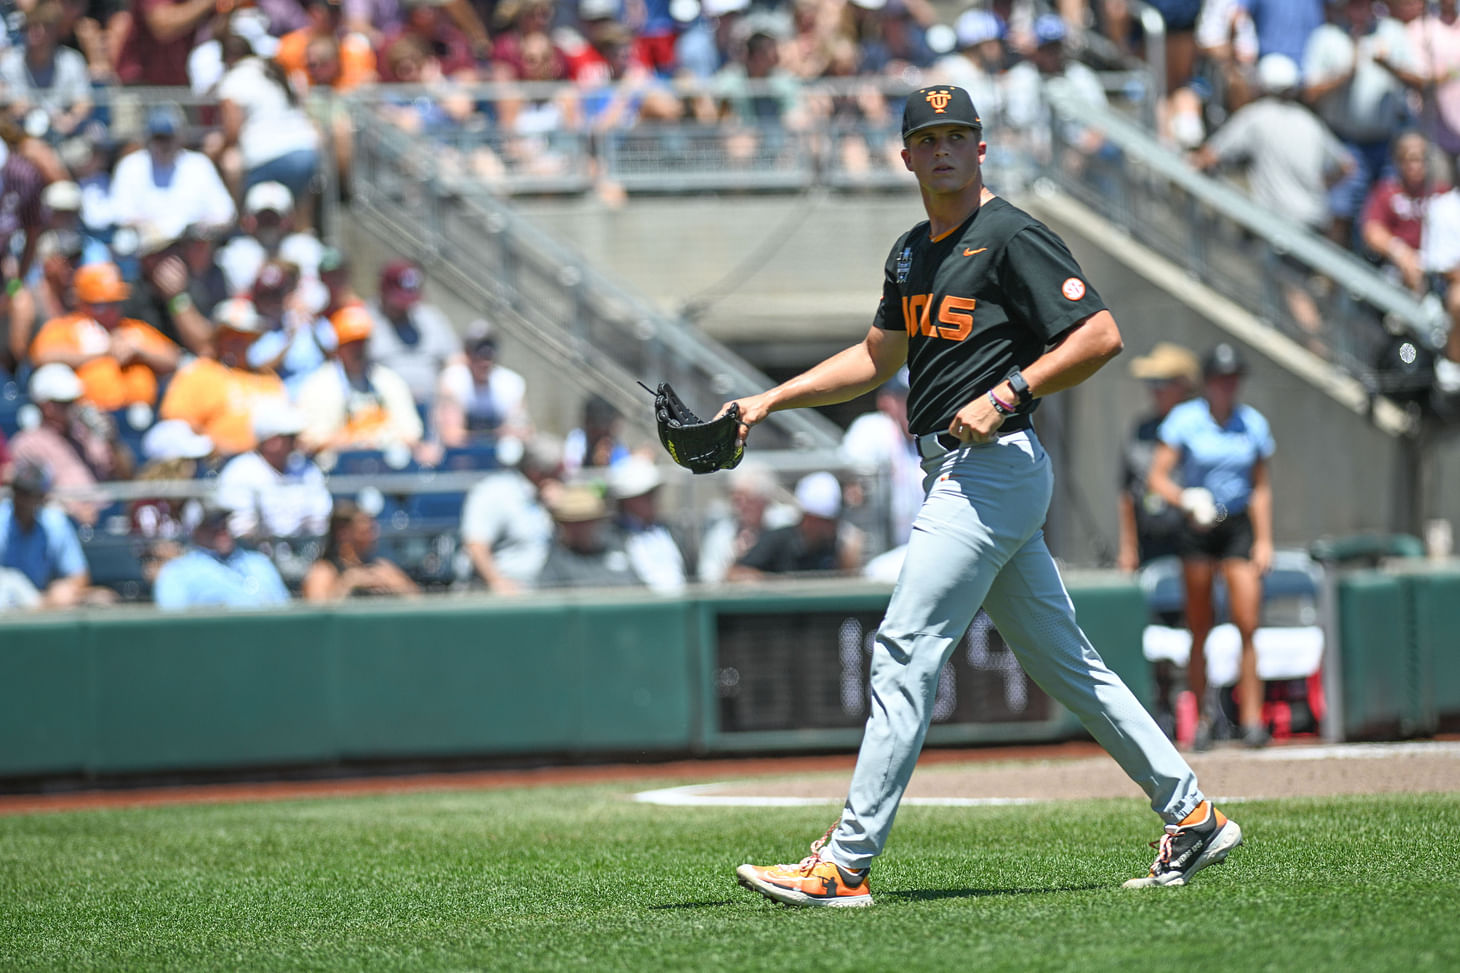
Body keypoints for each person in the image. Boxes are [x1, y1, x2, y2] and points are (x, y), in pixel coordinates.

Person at [731, 85, 1242, 908]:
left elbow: (1101, 335)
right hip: (959, 469)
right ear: (905, 157)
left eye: (957, 134)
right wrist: (766, 401)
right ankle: (1195, 814)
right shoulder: (910, 252)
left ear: (980, 148)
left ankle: (846, 862)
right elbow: (874, 358)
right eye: (927, 137)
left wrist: (1010, 392)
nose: (943, 149)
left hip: (990, 464)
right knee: (1066, 664)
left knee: (904, 648)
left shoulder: (1008, 233)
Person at [1147, 342, 1275, 752]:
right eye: (1221, 379)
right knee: (1199, 625)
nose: (1228, 386)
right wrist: (1186, 498)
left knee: (1247, 623)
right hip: (1198, 524)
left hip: (1236, 524)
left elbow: (1260, 487)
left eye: (1233, 379)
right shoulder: (1186, 421)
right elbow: (1158, 477)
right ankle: (1202, 718)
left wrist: (1265, 540)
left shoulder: (1251, 424)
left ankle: (1252, 719)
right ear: (1208, 384)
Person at [27, 262, 181, 412]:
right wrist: (103, 352)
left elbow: (173, 359)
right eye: (101, 305)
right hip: (91, 418)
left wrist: (139, 351)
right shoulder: (67, 327)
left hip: (141, 414)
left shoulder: (133, 328)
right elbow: (41, 356)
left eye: (115, 303)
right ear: (80, 302)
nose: (111, 311)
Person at [159, 297, 290, 457]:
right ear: (218, 337)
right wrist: (214, 447)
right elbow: (177, 424)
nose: (238, 341)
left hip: (265, 462)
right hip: (213, 464)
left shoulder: (267, 378)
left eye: (244, 335)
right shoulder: (198, 372)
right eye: (230, 335)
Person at [1116, 342, 1202, 573]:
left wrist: (1205, 512)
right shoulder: (1141, 429)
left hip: (1195, 542)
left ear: (1184, 386)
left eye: (1162, 383)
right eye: (1151, 383)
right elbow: (1127, 492)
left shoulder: (1204, 429)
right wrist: (1128, 548)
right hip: (1150, 542)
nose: (1155, 390)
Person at [8, 363, 129, 526]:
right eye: (66, 402)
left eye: (75, 401)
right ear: (46, 406)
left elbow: (126, 474)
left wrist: (112, 440)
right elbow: (29, 494)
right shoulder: (27, 444)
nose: (73, 407)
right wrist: (72, 510)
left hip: (106, 519)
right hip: (65, 525)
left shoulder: (87, 435)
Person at [296, 304, 424, 453]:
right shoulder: (318, 385)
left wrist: (379, 439)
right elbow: (309, 441)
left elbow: (411, 433)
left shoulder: (388, 380)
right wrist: (356, 440)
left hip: (387, 467)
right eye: (351, 344)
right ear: (338, 348)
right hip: (336, 472)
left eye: (362, 343)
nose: (358, 350)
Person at [214, 399, 332, 541]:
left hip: (302, 549)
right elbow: (240, 529)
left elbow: (319, 519)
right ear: (272, 442)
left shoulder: (305, 468)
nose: (296, 442)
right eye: (290, 437)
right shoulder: (240, 471)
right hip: (257, 554)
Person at [459, 434, 562, 594]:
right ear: (536, 472)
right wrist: (497, 582)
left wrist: (560, 511)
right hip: (502, 598)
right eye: (557, 473)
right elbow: (475, 545)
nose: (563, 479)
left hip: (547, 589)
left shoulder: (547, 497)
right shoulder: (495, 492)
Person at [153, 501, 291, 611]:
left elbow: (287, 610)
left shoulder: (259, 562)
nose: (221, 529)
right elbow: (173, 625)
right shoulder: (178, 572)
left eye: (223, 522)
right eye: (212, 524)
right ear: (195, 531)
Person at [728, 471, 862, 580]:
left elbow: (848, 582)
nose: (829, 527)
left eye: (831, 521)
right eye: (823, 520)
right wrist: (774, 585)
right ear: (807, 517)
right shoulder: (776, 539)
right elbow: (734, 574)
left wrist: (849, 557)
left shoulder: (837, 546)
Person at [366, 259, 464, 406]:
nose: (406, 305)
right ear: (383, 291)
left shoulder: (431, 318)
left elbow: (456, 361)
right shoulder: (364, 319)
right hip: (384, 406)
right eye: (399, 299)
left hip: (432, 405)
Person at [0, 462, 90, 608]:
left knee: (100, 597)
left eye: (29, 494)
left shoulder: (55, 523)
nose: (21, 500)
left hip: (44, 604)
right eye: (18, 491)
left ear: (42, 497)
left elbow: (79, 576)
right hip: (5, 610)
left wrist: (59, 591)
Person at [433, 323, 531, 447]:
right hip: (460, 457)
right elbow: (451, 436)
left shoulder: (512, 384)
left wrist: (512, 432)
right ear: (467, 353)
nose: (484, 360)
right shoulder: (452, 381)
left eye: (490, 350)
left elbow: (523, 432)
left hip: (500, 456)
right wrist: (496, 434)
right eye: (478, 350)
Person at [301, 498, 418, 600]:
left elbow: (420, 604)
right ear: (342, 533)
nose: (374, 536)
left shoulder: (381, 567)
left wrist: (397, 585)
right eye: (366, 531)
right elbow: (316, 617)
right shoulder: (323, 571)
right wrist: (348, 583)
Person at [535, 483, 643, 589]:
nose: (580, 528)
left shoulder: (616, 546)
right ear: (563, 525)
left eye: (586, 521)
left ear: (597, 521)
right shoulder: (557, 560)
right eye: (573, 523)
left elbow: (639, 589)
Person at [605, 455, 686, 593]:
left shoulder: (672, 531)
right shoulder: (611, 539)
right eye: (646, 495)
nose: (653, 500)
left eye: (653, 494)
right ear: (628, 501)